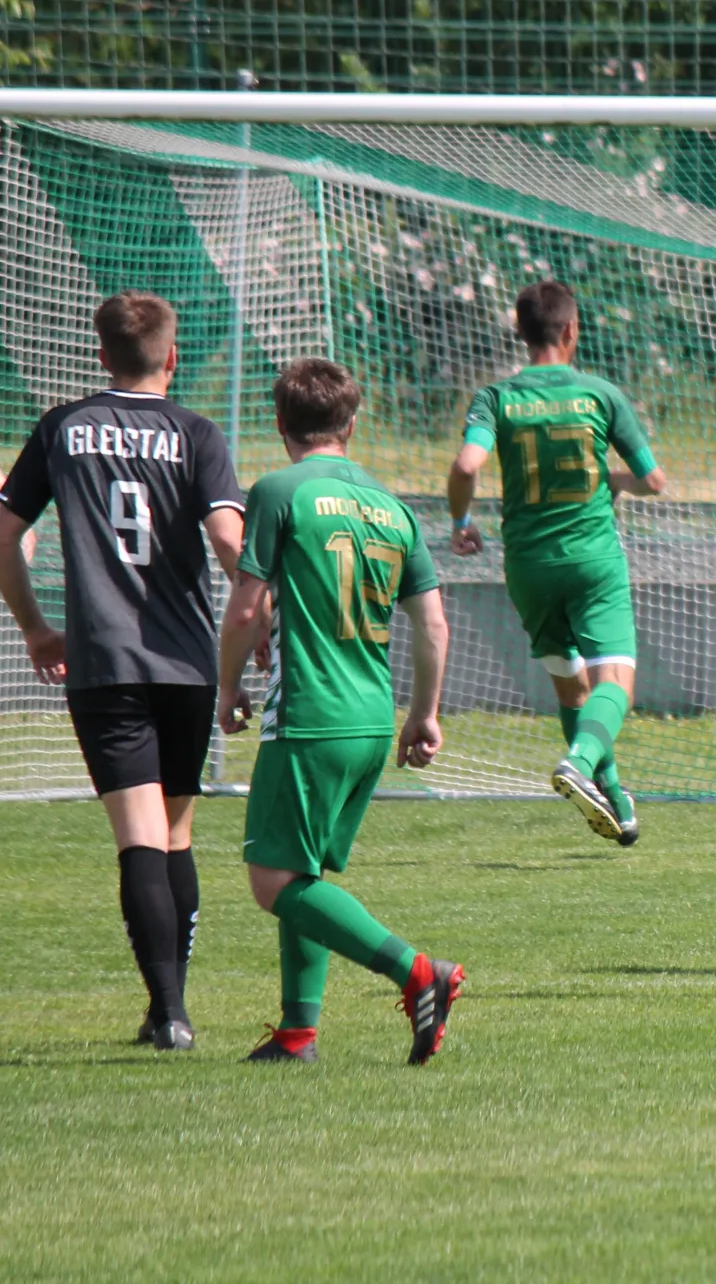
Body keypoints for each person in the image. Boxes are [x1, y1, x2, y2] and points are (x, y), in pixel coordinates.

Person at [0, 292, 245, 1051]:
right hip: (188, 662)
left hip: (104, 662)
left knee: (138, 835)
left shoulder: (62, 427)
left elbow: (4, 532)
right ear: (172, 357)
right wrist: (261, 617)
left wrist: (36, 628)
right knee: (175, 831)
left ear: (102, 356)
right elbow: (230, 541)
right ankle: (171, 1005)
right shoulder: (198, 432)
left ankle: (167, 1014)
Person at [218, 358, 460, 1065]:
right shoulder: (392, 506)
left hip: (310, 713)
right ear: (351, 425)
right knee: (302, 876)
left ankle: (418, 971)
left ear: (279, 423)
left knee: (273, 882)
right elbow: (433, 623)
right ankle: (298, 1033)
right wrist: (425, 713)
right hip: (372, 719)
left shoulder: (278, 490)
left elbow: (244, 610)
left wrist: (226, 688)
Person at [447, 280, 667, 845]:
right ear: (571, 330)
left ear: (520, 332)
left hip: (528, 565)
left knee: (571, 686)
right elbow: (653, 481)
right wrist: (614, 480)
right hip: (592, 560)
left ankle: (615, 798)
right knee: (614, 681)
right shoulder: (600, 394)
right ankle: (580, 762)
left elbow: (467, 465)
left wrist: (461, 522)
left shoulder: (495, 397)